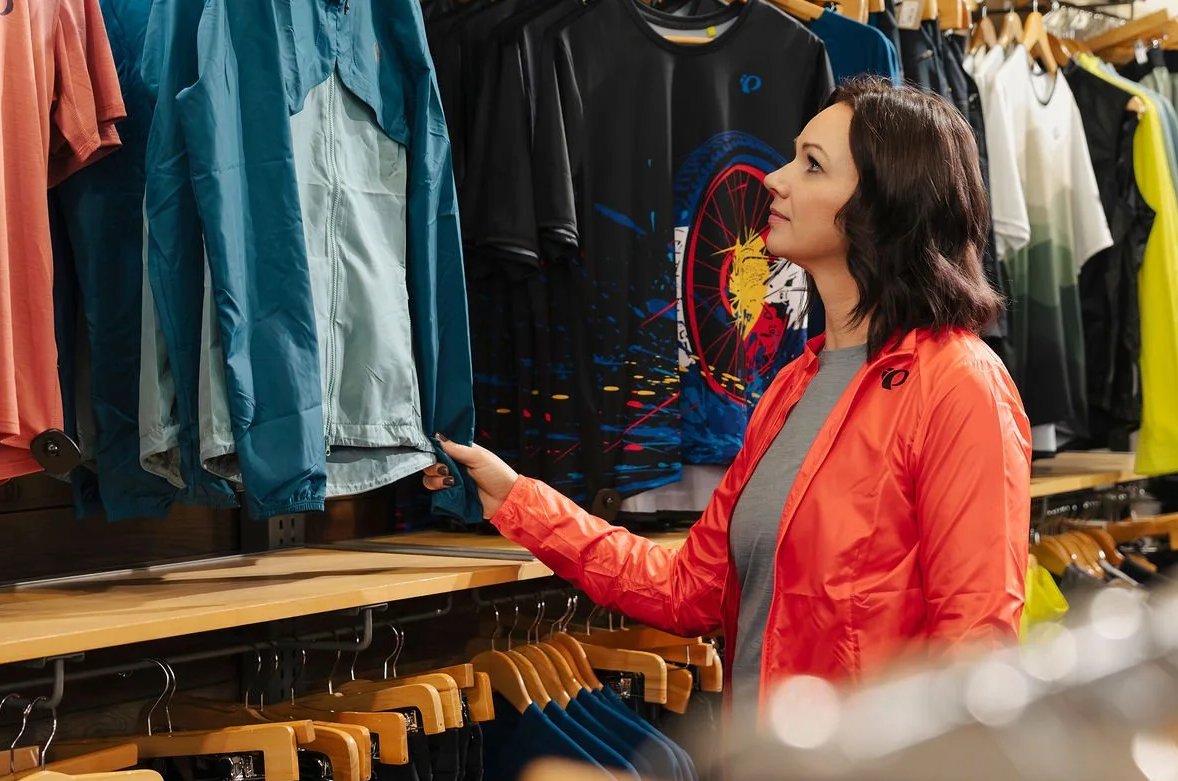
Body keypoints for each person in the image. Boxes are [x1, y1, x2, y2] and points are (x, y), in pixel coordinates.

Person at [427, 75, 1032, 720]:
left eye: (812, 165)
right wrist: (516, 498)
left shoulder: (959, 386)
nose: (774, 178)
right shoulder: (792, 388)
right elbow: (689, 589)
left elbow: (975, 660)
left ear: (884, 205)